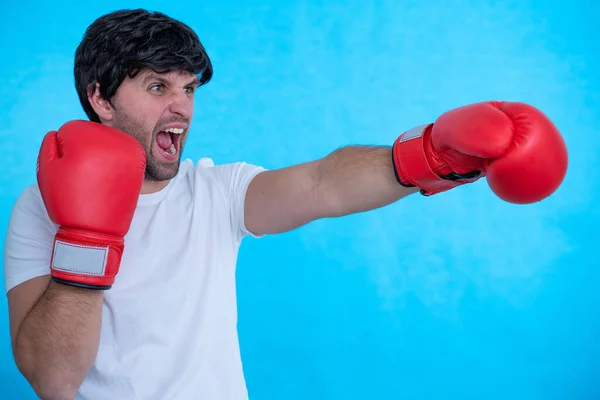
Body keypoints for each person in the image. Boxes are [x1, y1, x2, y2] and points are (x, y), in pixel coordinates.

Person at [3, 8, 568, 400]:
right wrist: (88, 237)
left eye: (189, 88)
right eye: (157, 88)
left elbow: (325, 183)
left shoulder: (215, 191)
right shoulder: (38, 208)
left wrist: (435, 154)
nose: (182, 109)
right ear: (100, 98)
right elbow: (53, 381)